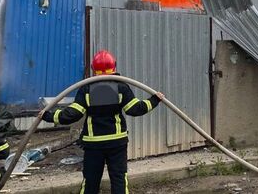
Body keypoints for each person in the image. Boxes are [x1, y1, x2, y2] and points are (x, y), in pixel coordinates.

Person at [40, 50, 165, 194]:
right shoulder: (121, 87)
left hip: (94, 144)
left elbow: (72, 115)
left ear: (93, 69)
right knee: (119, 179)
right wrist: (154, 100)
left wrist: (48, 116)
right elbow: (135, 109)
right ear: (114, 67)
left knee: (90, 181)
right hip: (117, 143)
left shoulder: (86, 88)